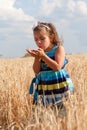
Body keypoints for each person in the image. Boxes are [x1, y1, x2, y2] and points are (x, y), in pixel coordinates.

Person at [26, 21, 74, 110]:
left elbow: (57, 67)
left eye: (42, 38)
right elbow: (37, 71)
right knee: (46, 110)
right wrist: (37, 58)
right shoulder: (40, 52)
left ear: (51, 37)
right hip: (45, 85)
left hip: (59, 83)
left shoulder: (59, 49)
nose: (38, 42)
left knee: (62, 109)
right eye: (36, 39)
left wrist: (43, 56)